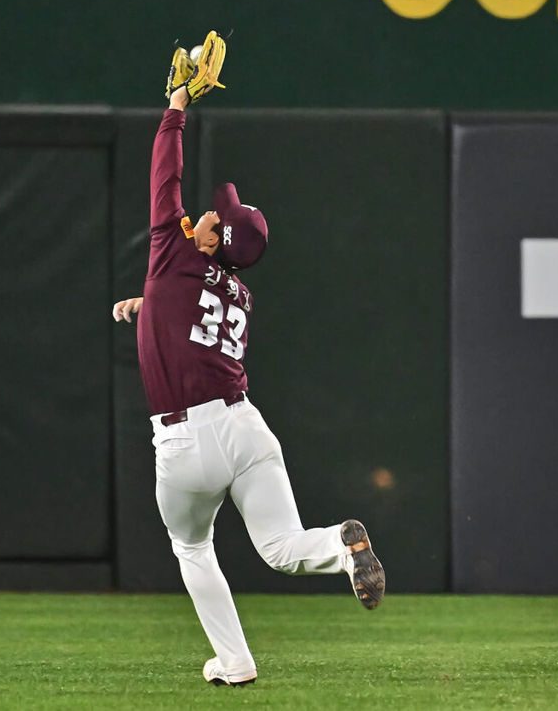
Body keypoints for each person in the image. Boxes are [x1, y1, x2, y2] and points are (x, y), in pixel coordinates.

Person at [112, 74, 385, 687]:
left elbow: (164, 178)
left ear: (214, 241)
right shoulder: (238, 290)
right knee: (284, 548)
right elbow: (189, 320)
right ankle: (341, 549)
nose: (208, 210)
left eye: (217, 216)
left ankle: (235, 661)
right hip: (245, 425)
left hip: (188, 437)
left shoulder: (176, 253)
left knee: (192, 548)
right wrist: (146, 304)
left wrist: (176, 107)